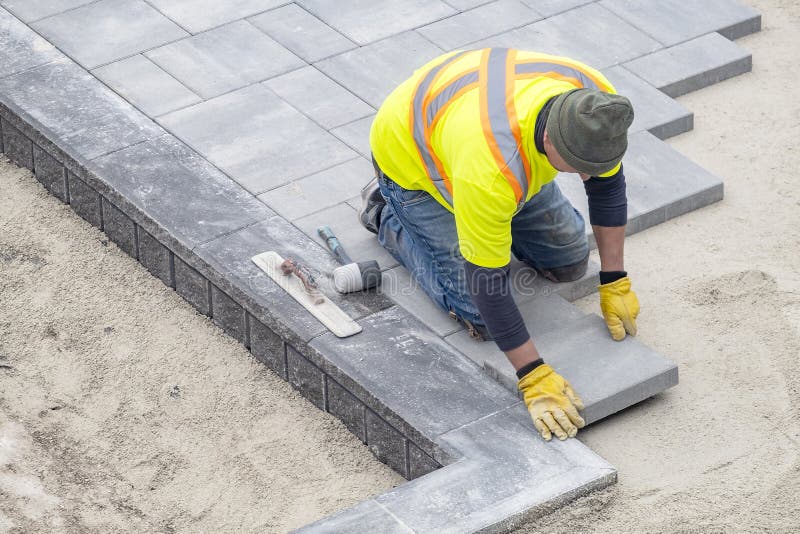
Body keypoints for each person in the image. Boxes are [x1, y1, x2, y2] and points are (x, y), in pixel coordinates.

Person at [360, 48, 640, 441]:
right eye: (576, 164)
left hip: (477, 120)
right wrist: (533, 375)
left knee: (570, 262)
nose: (584, 174)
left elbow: (608, 187)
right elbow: (487, 282)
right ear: (549, 136)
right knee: (478, 313)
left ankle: (496, 216)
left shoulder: (596, 106)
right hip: (414, 161)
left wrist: (615, 278)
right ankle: (386, 213)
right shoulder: (489, 170)